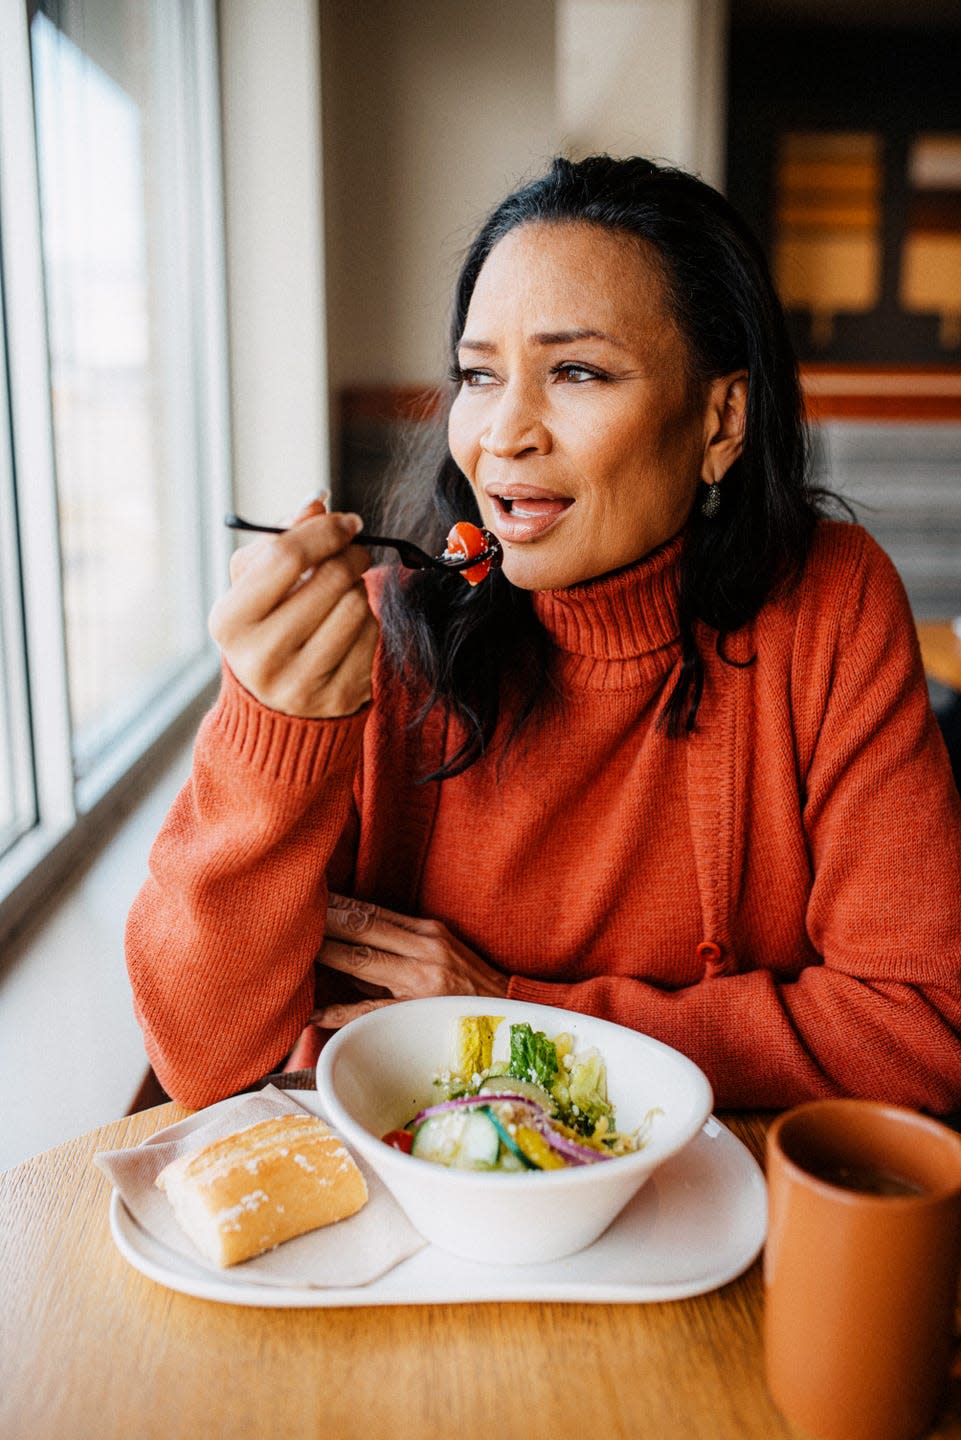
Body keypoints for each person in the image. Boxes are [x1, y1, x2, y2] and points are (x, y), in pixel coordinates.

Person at [126, 154, 961, 1113]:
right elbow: (205, 1064)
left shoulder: (827, 606)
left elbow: (920, 1029)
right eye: (478, 376)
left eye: (574, 370)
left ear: (721, 419)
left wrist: (513, 1024)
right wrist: (267, 734)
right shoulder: (374, 649)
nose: (502, 434)